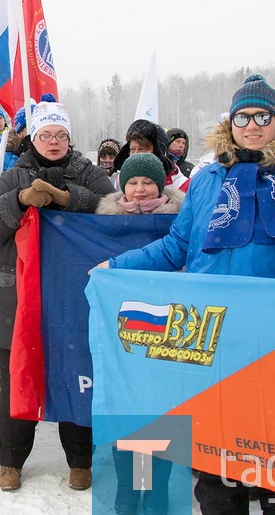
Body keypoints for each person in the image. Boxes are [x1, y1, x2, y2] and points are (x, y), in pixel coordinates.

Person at [102, 74, 275, 515]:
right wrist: (116, 267)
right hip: (213, 336)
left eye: (261, 116)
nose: (251, 126)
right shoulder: (208, 179)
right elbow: (178, 246)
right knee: (217, 464)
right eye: (242, 117)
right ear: (230, 123)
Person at [0, 101, 115, 492]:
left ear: (69, 138)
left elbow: (115, 212)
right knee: (17, 382)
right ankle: (12, 461)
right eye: (45, 135)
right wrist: (18, 201)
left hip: (73, 297)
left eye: (60, 135)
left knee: (75, 377)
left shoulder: (89, 172)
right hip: (18, 298)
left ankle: (80, 460)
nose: (53, 141)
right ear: (32, 137)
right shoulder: (13, 173)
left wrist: (72, 199)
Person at [95, 153, 183, 515]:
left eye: (148, 182)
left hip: (168, 325)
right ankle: (130, 491)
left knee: (162, 409)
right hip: (122, 330)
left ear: (161, 184)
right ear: (122, 185)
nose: (141, 189)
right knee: (127, 409)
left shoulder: (179, 220)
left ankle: (155, 487)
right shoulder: (103, 222)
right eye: (133, 182)